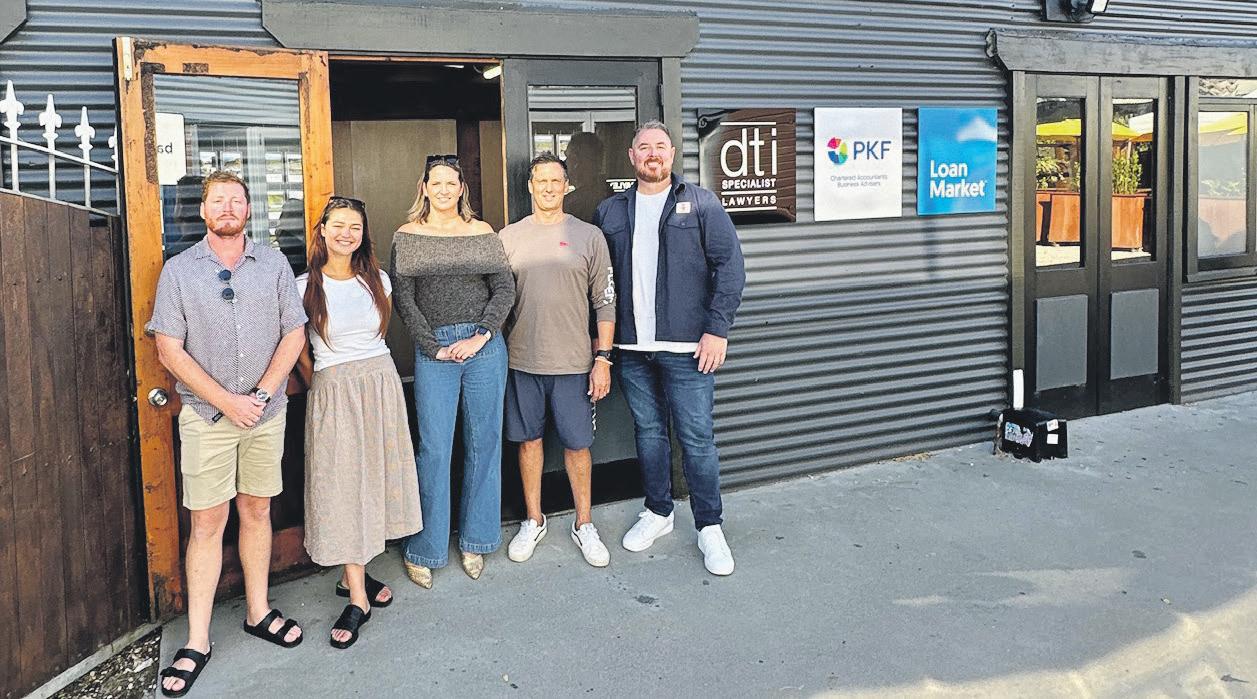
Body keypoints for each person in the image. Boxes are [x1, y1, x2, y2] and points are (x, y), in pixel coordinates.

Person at [149, 171, 307, 696]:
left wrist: (260, 394)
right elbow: (169, 349)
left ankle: (258, 611)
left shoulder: (274, 264)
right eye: (218, 201)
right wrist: (227, 402)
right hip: (206, 418)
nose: (227, 208)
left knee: (257, 510)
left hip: (265, 413)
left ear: (248, 210)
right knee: (207, 522)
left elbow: (294, 331)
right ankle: (197, 640)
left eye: (236, 200)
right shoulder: (178, 270)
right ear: (203, 210)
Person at [593, 120, 746, 576]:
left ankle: (709, 526)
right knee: (649, 432)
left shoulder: (701, 203)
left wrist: (717, 330)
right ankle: (658, 511)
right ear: (632, 156)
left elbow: (730, 267)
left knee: (697, 438)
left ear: (672, 154)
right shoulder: (610, 211)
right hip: (630, 347)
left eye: (660, 146)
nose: (652, 153)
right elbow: (598, 280)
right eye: (644, 147)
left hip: (688, 347)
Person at [295, 196, 423, 649]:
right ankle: (358, 598)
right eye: (338, 225)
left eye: (355, 227)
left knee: (374, 479)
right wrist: (323, 387)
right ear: (322, 230)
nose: (346, 234)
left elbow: (378, 337)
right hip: (334, 388)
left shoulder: (379, 280)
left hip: (380, 384)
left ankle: (355, 575)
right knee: (342, 484)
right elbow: (301, 354)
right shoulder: (303, 286)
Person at [391, 155, 516, 588]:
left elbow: (504, 288)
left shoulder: (482, 232)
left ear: (461, 188)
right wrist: (433, 347)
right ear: (424, 188)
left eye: (451, 183)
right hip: (435, 350)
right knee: (434, 449)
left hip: (484, 347)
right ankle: (424, 547)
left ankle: (476, 540)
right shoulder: (407, 235)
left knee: (484, 444)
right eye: (436, 183)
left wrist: (482, 336)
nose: (444, 190)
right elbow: (404, 299)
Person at [499, 153, 616, 567]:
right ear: (530, 186)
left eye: (555, 180)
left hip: (574, 364)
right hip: (522, 361)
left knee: (578, 445)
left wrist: (603, 358)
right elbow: (497, 303)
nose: (548, 187)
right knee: (528, 443)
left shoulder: (589, 236)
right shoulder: (508, 238)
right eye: (541, 180)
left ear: (566, 186)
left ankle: (584, 523)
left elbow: (605, 302)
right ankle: (534, 519)